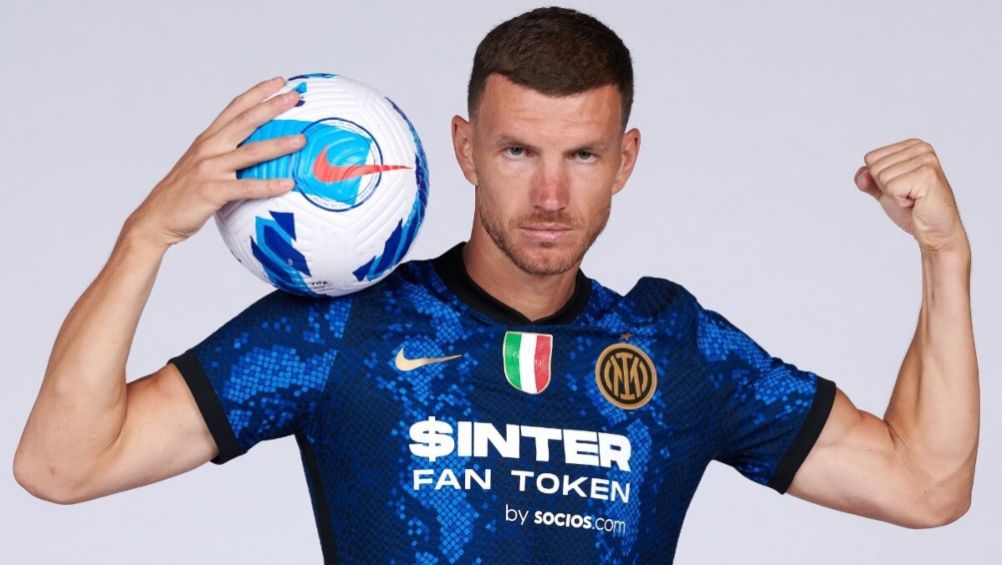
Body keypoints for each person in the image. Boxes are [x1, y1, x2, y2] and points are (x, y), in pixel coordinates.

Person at [13, 6, 978, 564]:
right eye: (518, 151)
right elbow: (62, 464)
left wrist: (946, 258)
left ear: (626, 159)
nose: (550, 195)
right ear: (466, 148)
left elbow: (924, 485)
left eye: (582, 154)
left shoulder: (679, 350)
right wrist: (147, 235)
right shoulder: (342, 331)